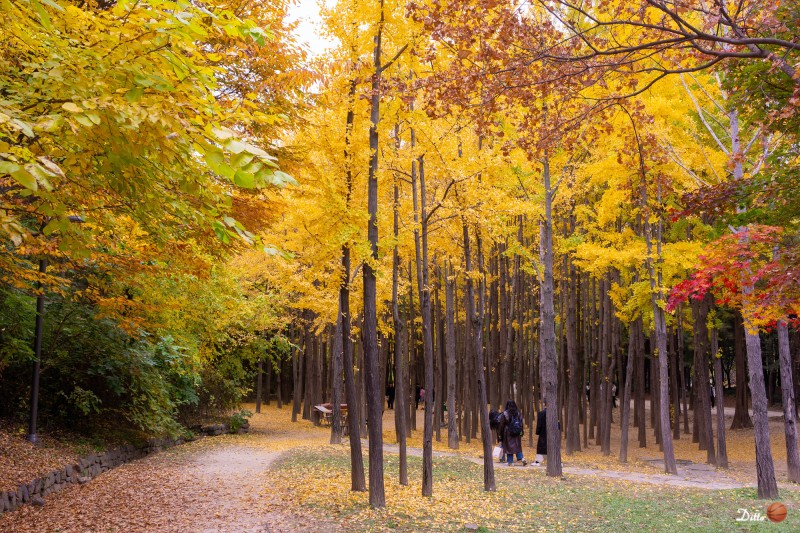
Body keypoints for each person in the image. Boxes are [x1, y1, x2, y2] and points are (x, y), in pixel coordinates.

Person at [497, 400, 527, 466]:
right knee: (517, 446)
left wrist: (500, 434)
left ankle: (510, 461)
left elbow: (502, 425)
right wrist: (521, 432)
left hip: (508, 432)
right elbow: (521, 423)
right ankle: (522, 458)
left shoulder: (505, 414)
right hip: (517, 432)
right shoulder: (518, 413)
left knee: (509, 447)